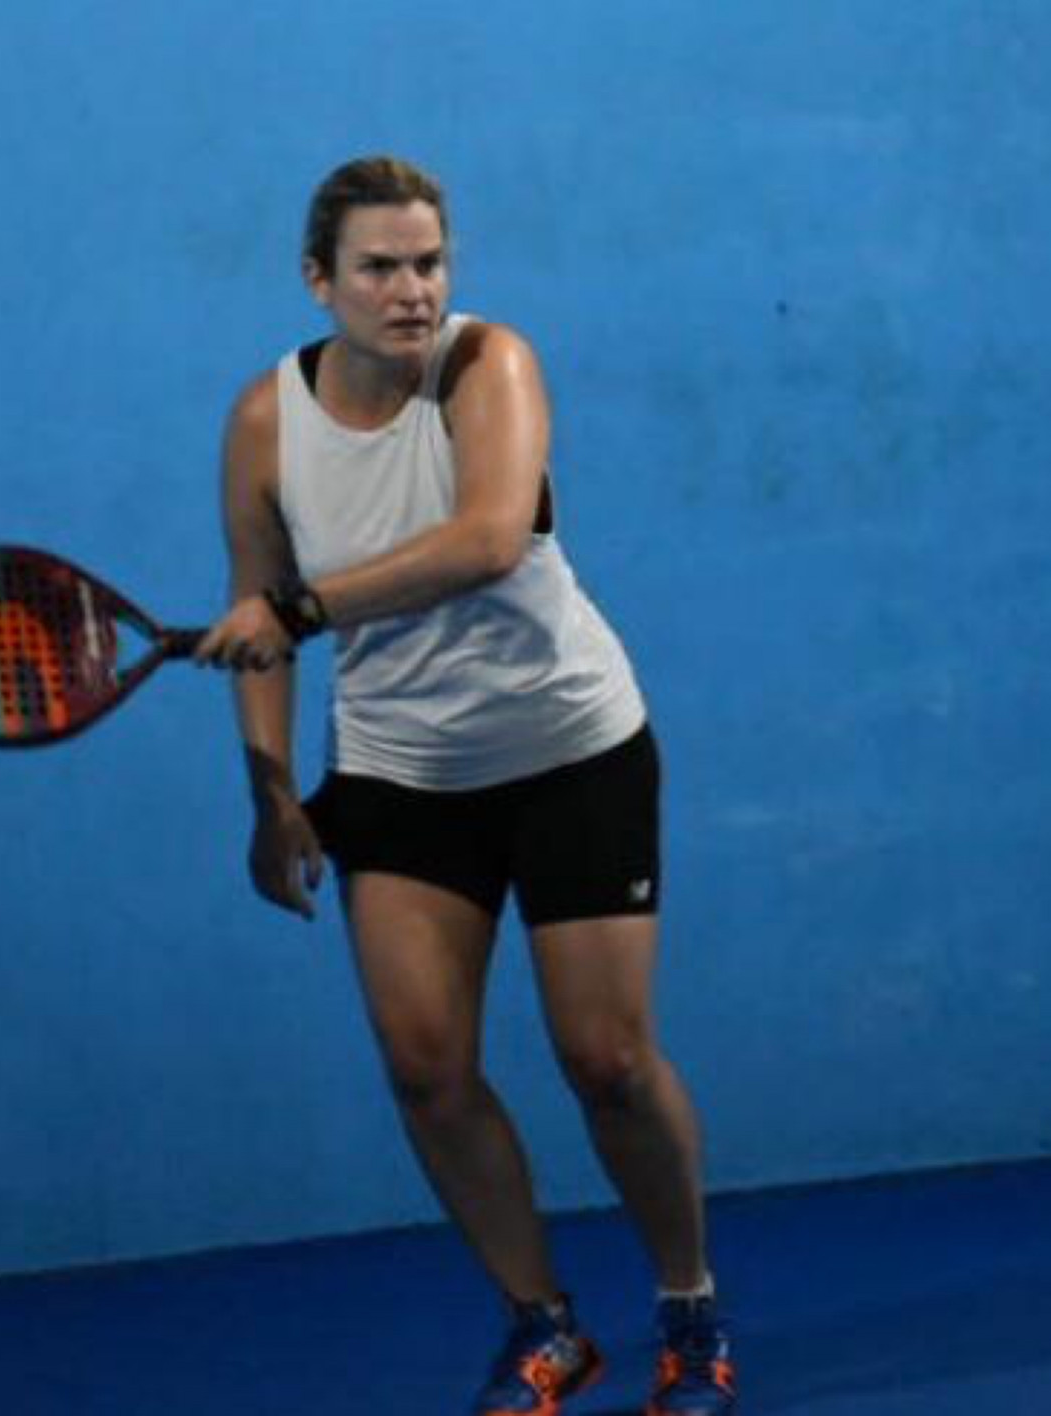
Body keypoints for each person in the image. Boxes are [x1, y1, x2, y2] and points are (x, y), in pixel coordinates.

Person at [194, 155, 736, 1416]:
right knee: (425, 1067)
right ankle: (543, 1325)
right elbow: (254, 612)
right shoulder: (266, 422)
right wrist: (271, 790)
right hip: (401, 770)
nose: (411, 290)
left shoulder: (490, 365)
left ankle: (690, 1311)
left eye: (428, 263)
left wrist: (300, 608)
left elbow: (489, 539)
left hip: (569, 753)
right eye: (379, 267)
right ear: (318, 280)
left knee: (606, 1060)